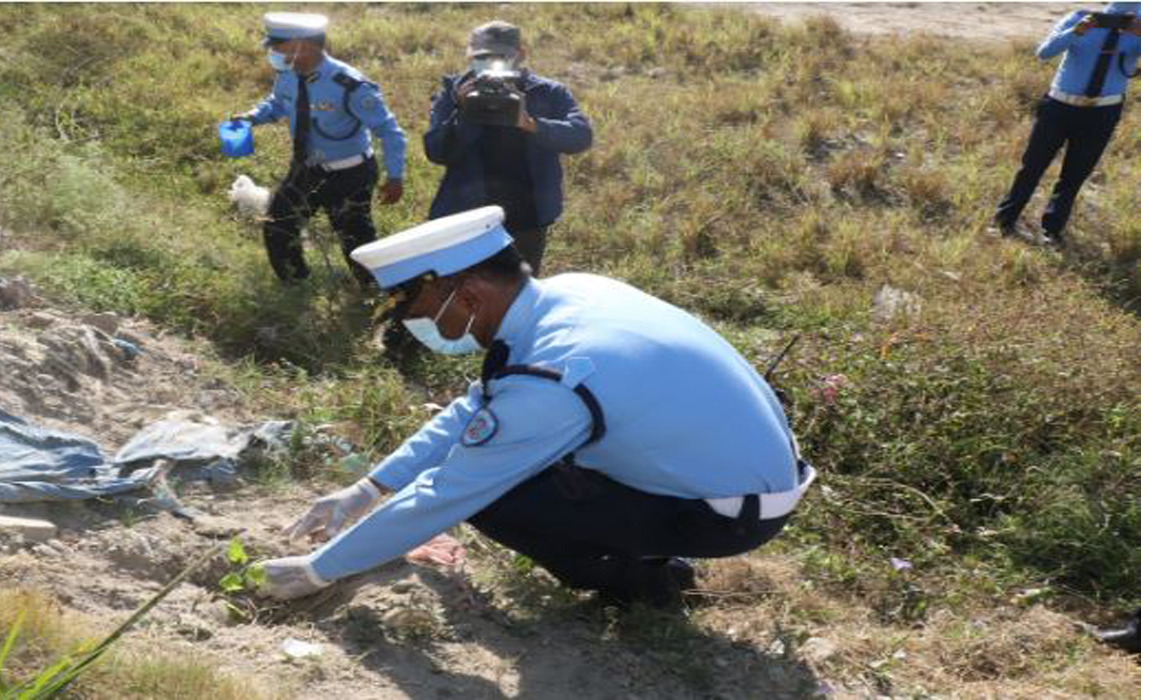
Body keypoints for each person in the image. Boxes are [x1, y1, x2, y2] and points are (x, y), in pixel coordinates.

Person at [257, 206, 815, 607]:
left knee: (493, 494)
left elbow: (447, 492)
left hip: (729, 514)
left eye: (420, 315)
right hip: (750, 475)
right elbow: (477, 408)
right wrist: (368, 489)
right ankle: (645, 552)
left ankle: (643, 585)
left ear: (470, 297)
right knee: (510, 456)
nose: (422, 329)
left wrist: (318, 569)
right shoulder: (569, 294)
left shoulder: (553, 376)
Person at [233, 12, 407, 283]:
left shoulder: (349, 84)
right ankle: (295, 282)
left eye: (278, 45)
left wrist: (395, 177)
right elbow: (278, 103)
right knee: (279, 225)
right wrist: (252, 116)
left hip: (350, 174)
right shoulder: (288, 73)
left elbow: (390, 132)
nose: (273, 51)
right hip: (305, 170)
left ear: (302, 45)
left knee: (355, 241)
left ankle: (375, 294)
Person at [423, 21, 592, 275]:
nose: (491, 64)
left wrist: (532, 124)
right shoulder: (455, 92)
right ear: (469, 56)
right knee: (465, 286)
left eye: (501, 57)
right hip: (466, 213)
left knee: (520, 286)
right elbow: (436, 151)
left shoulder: (546, 92)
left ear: (520, 54)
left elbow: (581, 137)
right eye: (482, 57)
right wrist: (463, 112)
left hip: (527, 216)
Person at [992, 2, 1140, 247]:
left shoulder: (1140, 32)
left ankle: (1052, 230)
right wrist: (1077, 31)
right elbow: (1044, 52)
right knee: (1032, 166)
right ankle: (1005, 219)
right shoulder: (1079, 18)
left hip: (1103, 113)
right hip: (1059, 107)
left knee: (1075, 174)